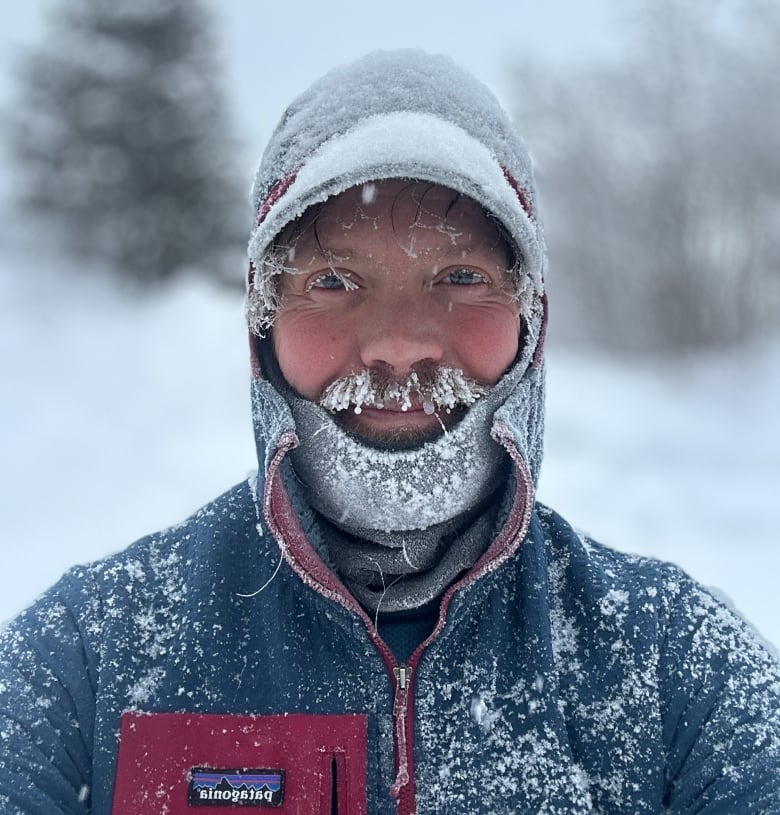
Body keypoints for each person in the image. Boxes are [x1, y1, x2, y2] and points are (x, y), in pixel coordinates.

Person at [1, 50, 778, 815]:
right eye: (334, 282)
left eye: (461, 278)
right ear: (262, 325)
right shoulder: (86, 664)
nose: (399, 343)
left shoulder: (681, 669)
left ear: (531, 319)